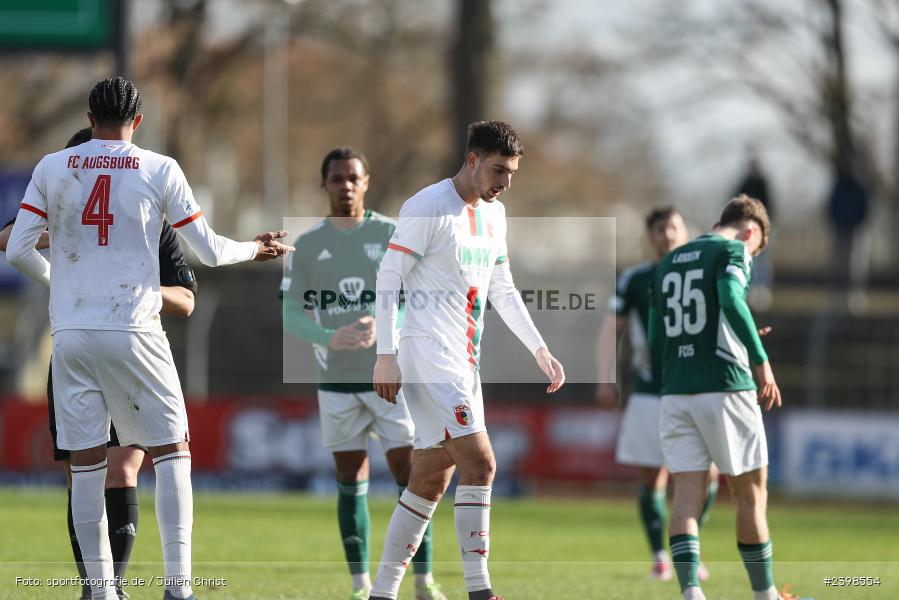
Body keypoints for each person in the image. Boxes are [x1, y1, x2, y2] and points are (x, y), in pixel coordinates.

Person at [6, 76, 292, 600]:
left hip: (72, 334)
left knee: (86, 465)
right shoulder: (159, 168)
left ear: (89, 119)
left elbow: (18, 250)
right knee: (171, 452)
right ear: (138, 122)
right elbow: (207, 250)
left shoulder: (51, 166)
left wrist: (62, 283)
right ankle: (178, 587)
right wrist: (255, 248)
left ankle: (100, 589)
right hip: (134, 327)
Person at [368, 121, 565, 600]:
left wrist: (538, 348)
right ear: (472, 160)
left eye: (513, 172)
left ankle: (382, 592)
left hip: (464, 362)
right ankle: (480, 592)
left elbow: (503, 287)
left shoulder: (496, 216)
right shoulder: (426, 206)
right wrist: (386, 356)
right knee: (482, 465)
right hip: (428, 357)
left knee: (431, 479)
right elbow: (388, 279)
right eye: (500, 169)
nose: (507, 181)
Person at [0, 127, 198, 600]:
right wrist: (65, 232)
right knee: (79, 470)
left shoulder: (151, 219)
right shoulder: (60, 205)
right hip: (77, 350)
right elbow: (9, 237)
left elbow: (187, 299)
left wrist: (140, 293)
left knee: (125, 465)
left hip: (129, 345)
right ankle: (98, 587)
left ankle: (118, 585)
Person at [280, 147, 446, 600]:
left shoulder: (392, 233)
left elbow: (417, 297)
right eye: (336, 179)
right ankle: (360, 585)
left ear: (366, 182)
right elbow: (290, 311)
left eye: (353, 178)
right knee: (350, 478)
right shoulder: (308, 243)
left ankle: (422, 580)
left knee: (414, 477)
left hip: (391, 381)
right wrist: (325, 336)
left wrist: (384, 322)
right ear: (325, 184)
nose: (345, 186)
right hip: (336, 382)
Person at [648, 195, 806, 600]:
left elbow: (656, 336)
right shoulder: (733, 249)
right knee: (750, 493)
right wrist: (760, 360)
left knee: (685, 494)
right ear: (751, 232)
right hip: (725, 386)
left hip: (676, 392)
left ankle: (691, 594)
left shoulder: (668, 261)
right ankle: (766, 594)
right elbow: (732, 299)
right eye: (756, 250)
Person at [596, 207, 718, 582]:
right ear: (650, 236)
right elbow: (610, 329)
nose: (667, 235)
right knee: (651, 478)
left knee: (708, 477)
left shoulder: (704, 271)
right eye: (660, 229)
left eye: (674, 227)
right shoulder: (636, 279)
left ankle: (689, 549)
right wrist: (605, 377)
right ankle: (660, 555)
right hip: (651, 392)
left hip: (698, 387)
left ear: (686, 231)